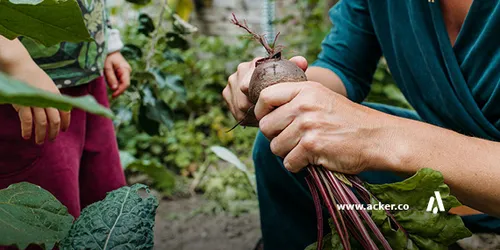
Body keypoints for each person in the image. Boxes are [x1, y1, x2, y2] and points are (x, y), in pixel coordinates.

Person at [223, 0, 500, 249]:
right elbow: (342, 68)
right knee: (293, 140)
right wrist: (278, 92)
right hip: (444, 178)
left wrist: (381, 138)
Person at [0, 0, 130, 220]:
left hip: (85, 84)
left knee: (106, 208)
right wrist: (14, 60)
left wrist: (106, 40)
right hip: (24, 93)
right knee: (46, 225)